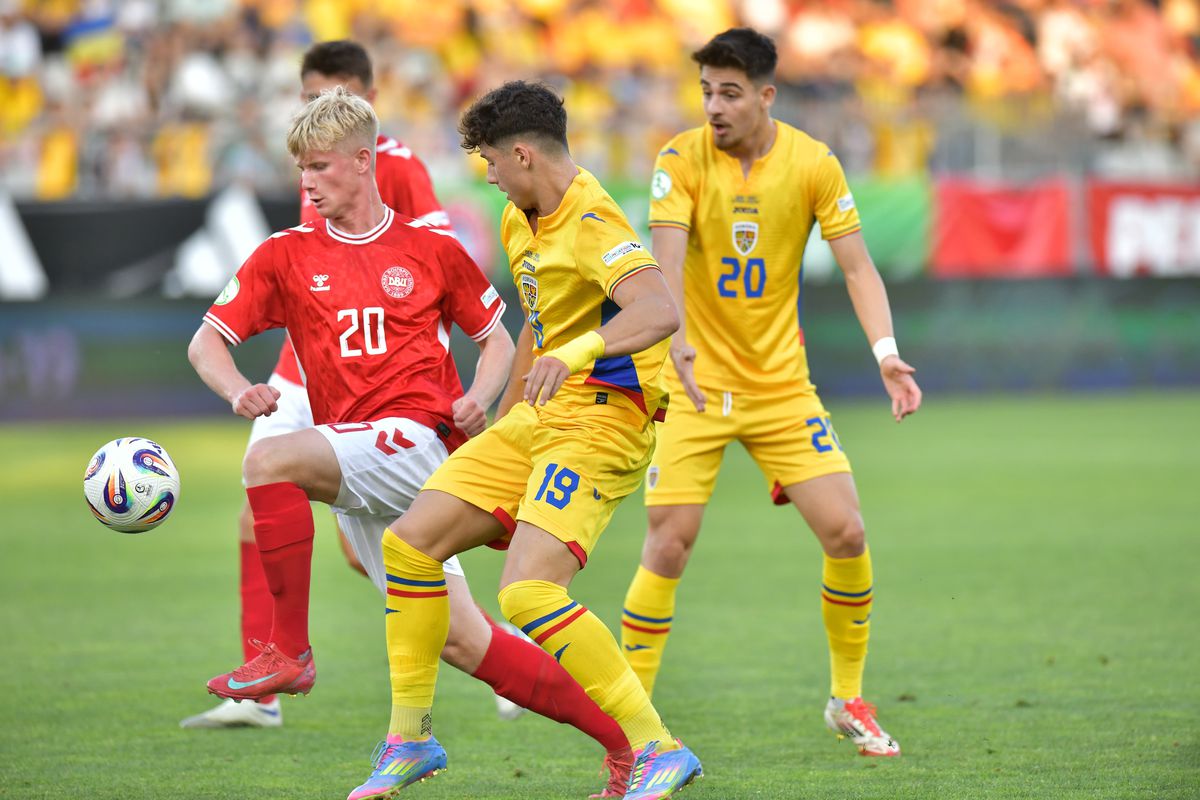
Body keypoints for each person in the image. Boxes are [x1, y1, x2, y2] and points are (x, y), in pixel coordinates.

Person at [187, 86, 636, 798]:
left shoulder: (429, 249)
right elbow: (207, 341)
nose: (308, 183)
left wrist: (479, 398)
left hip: (413, 441)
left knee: (269, 459)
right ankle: (625, 748)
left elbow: (496, 340)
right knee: (465, 641)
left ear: (365, 162)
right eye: (301, 169)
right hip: (354, 455)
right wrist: (235, 389)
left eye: (322, 167)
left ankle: (289, 651)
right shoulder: (284, 255)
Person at [345, 81, 702, 800]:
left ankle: (658, 747)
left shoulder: (595, 220)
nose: (487, 176)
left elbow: (658, 308)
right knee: (410, 543)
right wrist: (507, 422)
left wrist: (577, 356)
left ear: (523, 155)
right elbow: (538, 325)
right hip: (538, 419)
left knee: (529, 592)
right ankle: (409, 739)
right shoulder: (520, 217)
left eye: (490, 162)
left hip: (605, 416)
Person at [618, 27, 922, 758]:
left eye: (728, 93)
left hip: (780, 387)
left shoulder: (813, 163)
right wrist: (677, 338)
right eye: (705, 92)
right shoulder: (678, 158)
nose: (713, 107)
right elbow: (663, 260)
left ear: (765, 96)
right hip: (692, 381)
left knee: (847, 532)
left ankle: (847, 698)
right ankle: (628, 728)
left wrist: (887, 354)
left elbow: (856, 268)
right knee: (669, 543)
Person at [179, 37, 450, 732]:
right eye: (305, 98)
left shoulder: (398, 169)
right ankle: (263, 682)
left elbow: (433, 277)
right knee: (257, 495)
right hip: (304, 367)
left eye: (328, 96)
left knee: (390, 550)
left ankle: (488, 646)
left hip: (379, 376)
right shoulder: (312, 163)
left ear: (363, 96)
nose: (313, 109)